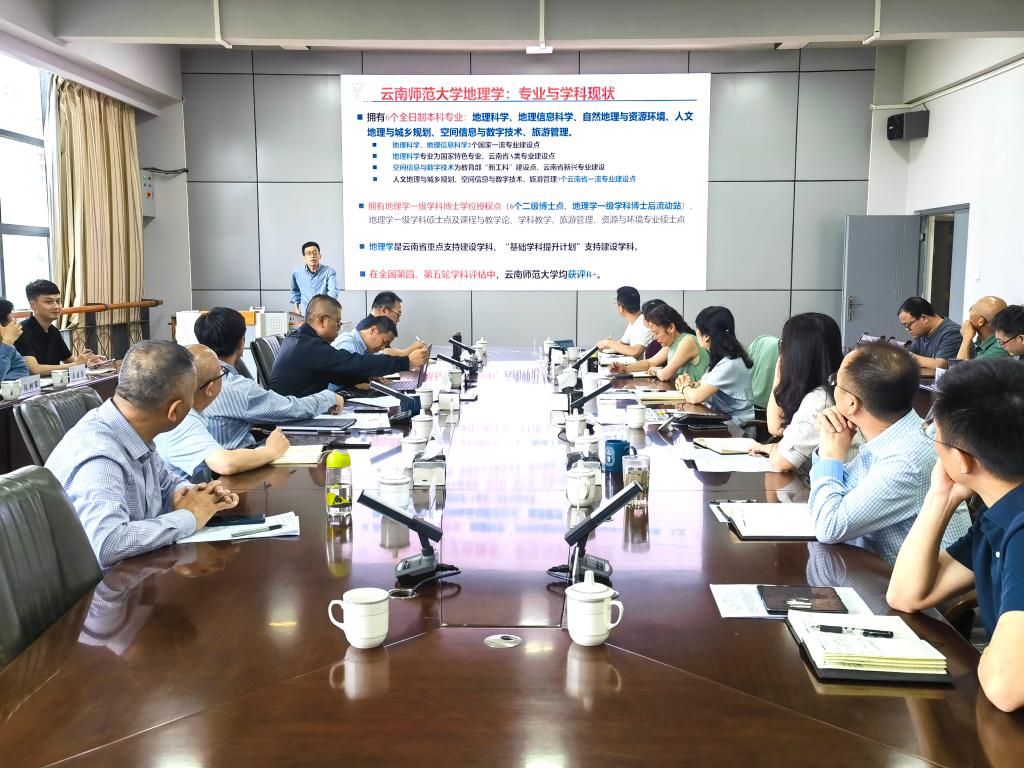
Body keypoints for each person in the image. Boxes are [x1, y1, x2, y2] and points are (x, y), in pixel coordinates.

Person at [887, 358, 1024, 712]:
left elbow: (1006, 687)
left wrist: (994, 653)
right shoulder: (998, 515)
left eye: (934, 433)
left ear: (962, 460)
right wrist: (940, 498)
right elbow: (906, 594)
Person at [46, 340, 239, 567]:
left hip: (141, 575)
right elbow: (108, 543)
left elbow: (166, 482)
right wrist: (190, 517)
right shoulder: (100, 456)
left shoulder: (133, 430)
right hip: (110, 584)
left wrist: (196, 495)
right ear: (175, 411)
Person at [808, 341, 969, 564]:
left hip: (911, 583)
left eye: (836, 381)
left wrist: (830, 458)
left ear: (852, 403)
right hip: (875, 569)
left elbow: (829, 526)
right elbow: (837, 498)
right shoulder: (900, 434)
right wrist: (829, 444)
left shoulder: (907, 459)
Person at [193, 307, 344, 449]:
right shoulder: (239, 389)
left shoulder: (190, 380)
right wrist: (328, 397)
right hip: (240, 461)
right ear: (241, 342)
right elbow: (290, 409)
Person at [154, 344, 292, 481]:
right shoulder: (183, 421)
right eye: (222, 374)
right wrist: (271, 451)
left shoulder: (185, 412)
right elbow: (226, 464)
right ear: (210, 388)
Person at [269, 295, 428, 397]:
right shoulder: (309, 347)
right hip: (287, 423)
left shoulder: (301, 340)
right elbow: (354, 362)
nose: (339, 328)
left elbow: (339, 373)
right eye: (338, 323)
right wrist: (407, 361)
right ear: (322, 320)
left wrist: (365, 378)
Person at [751, 313, 844, 474]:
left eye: (784, 345)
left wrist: (774, 449)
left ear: (798, 354)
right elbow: (776, 428)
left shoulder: (820, 399)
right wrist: (779, 376)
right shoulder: (829, 388)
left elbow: (782, 462)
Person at [677, 306, 754, 424]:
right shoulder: (721, 357)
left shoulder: (729, 364)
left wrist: (684, 387)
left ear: (706, 336)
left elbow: (695, 397)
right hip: (722, 418)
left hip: (736, 427)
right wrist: (689, 384)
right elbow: (701, 384)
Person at [14, 279, 103, 374]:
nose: (56, 306)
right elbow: (34, 369)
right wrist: (75, 365)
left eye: (58, 301)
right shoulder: (21, 331)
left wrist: (88, 361)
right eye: (48, 302)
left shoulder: (53, 331)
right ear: (33, 305)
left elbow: (70, 360)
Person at [608, 303, 707, 383]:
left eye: (656, 333)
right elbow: (649, 363)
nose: (654, 338)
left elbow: (664, 375)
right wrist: (625, 368)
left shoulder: (687, 341)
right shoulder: (672, 344)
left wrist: (656, 370)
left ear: (671, 328)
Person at [897, 297, 962, 373]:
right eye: (904, 326)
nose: (907, 329)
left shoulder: (952, 332)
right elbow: (906, 358)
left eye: (908, 324)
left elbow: (940, 365)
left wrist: (908, 356)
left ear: (924, 318)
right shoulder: (921, 333)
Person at [356, 291, 426, 358]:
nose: (398, 320)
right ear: (384, 310)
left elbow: (388, 350)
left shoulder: (370, 324)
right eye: (398, 314)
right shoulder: (365, 328)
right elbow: (381, 356)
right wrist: (409, 350)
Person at [595, 286, 654, 358]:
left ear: (621, 308)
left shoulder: (644, 323)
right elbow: (623, 344)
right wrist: (608, 344)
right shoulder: (633, 322)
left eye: (616, 303)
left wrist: (609, 343)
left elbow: (635, 352)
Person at [290, 241, 338, 315]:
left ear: (320, 256)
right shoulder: (297, 272)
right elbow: (295, 291)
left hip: (324, 313)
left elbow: (333, 292)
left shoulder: (329, 272)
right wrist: (296, 309)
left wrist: (327, 310)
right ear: (304, 258)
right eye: (308, 253)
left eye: (315, 253)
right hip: (305, 313)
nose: (312, 256)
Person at [957, 296, 1010, 361]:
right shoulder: (982, 340)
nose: (969, 312)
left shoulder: (997, 351)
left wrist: (966, 338)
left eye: (971, 310)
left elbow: (959, 367)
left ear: (981, 321)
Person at [332, 315, 398, 355]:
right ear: (373, 330)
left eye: (386, 345)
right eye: (384, 342)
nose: (383, 348)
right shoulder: (347, 345)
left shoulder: (366, 348)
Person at [0, 298, 30, 381]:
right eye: (11, 323)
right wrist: (7, 342)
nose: (15, 324)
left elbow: (22, 371)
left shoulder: (8, 346)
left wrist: (4, 380)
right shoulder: (7, 343)